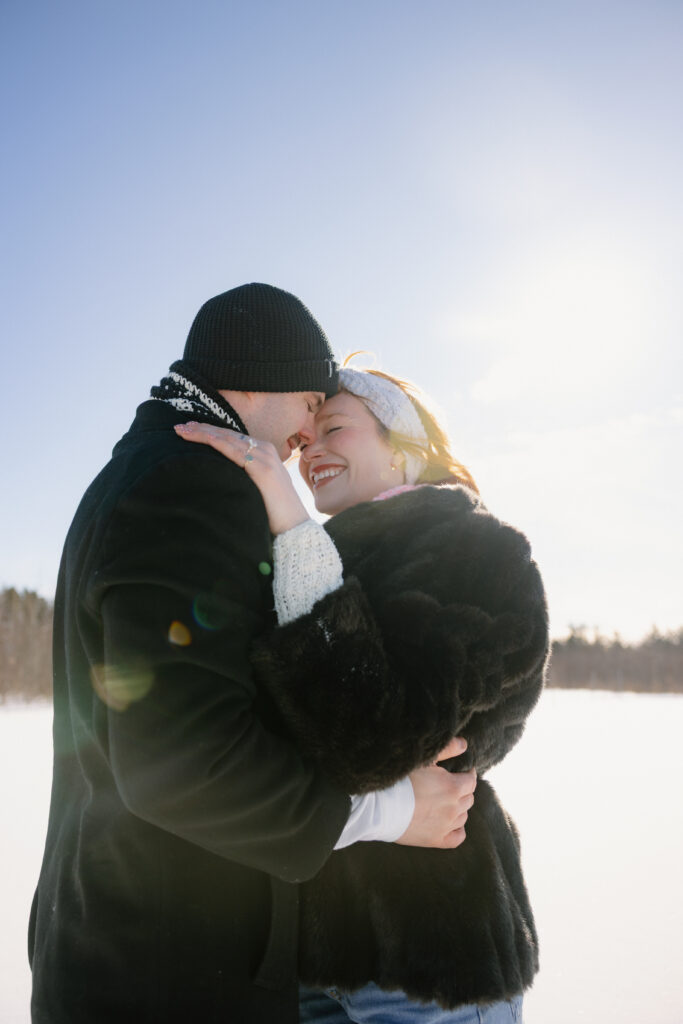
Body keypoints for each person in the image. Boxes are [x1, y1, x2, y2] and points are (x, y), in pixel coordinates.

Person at [28, 285, 476, 1024]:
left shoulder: (155, 469)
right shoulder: (191, 482)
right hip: (167, 970)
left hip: (133, 949)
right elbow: (183, 763)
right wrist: (388, 811)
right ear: (257, 373)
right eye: (310, 400)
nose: (309, 430)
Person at [176, 363, 549, 1023]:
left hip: (429, 967)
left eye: (335, 428)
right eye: (306, 435)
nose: (310, 448)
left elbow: (369, 741)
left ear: (404, 448)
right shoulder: (306, 559)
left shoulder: (478, 552)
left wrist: (293, 531)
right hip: (308, 959)